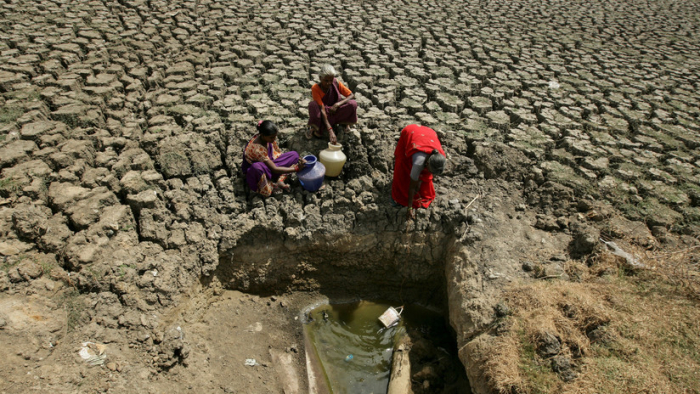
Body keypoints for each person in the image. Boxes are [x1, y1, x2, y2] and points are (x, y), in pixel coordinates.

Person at [391, 124, 446, 220]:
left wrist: (420, 181)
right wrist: (409, 207)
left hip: (428, 134)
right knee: (402, 168)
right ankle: (397, 195)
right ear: (427, 163)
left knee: (423, 183)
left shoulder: (440, 157)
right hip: (410, 132)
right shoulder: (418, 162)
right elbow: (412, 187)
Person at [242, 120, 305, 197]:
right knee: (256, 168)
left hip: (270, 163)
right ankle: (271, 184)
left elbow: (275, 156)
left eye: (275, 136)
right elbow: (274, 168)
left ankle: (279, 180)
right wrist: (296, 168)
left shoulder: (265, 138)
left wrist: (300, 160)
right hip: (261, 171)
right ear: (262, 135)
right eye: (271, 137)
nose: (274, 139)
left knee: (294, 155)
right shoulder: (257, 149)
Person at [306, 64, 358, 144]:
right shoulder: (315, 88)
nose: (329, 83)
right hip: (325, 113)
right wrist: (330, 130)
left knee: (352, 104)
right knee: (313, 105)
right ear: (320, 78)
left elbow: (351, 95)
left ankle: (344, 123)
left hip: (335, 111)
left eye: (331, 80)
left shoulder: (336, 82)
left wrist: (338, 104)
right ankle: (317, 128)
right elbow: (322, 109)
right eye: (326, 81)